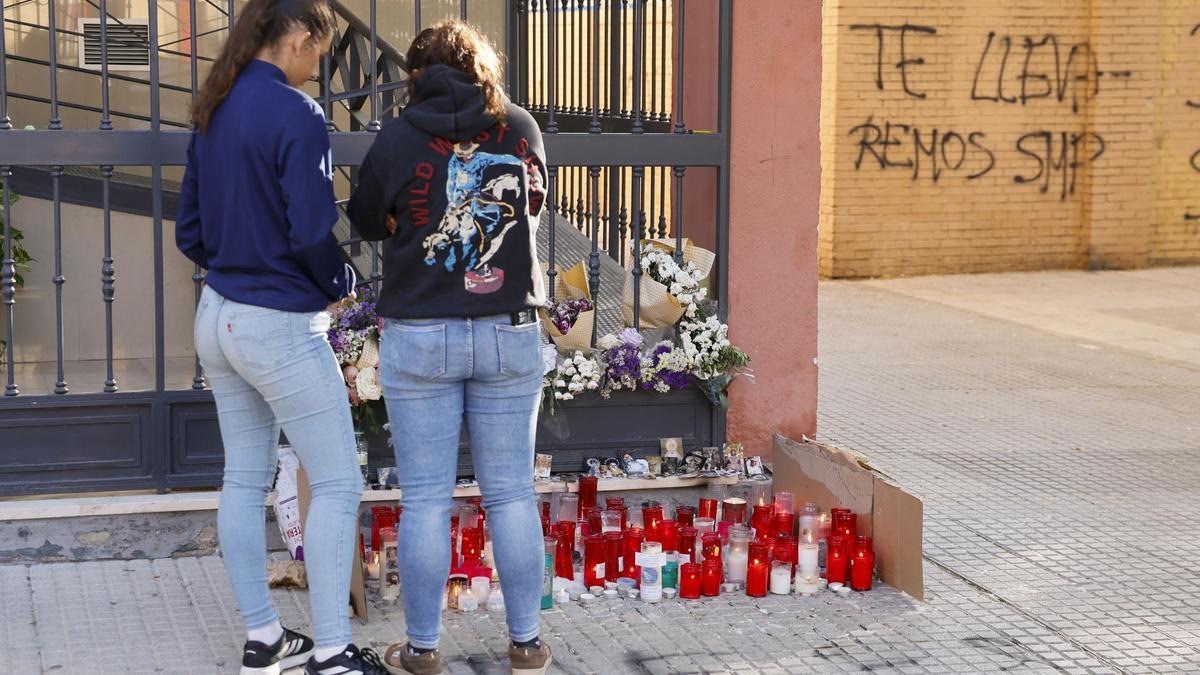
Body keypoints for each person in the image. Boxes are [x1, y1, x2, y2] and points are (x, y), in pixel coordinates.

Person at [176, 1, 386, 673]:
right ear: (298, 40)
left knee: (243, 476)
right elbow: (308, 233)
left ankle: (263, 640)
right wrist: (346, 281)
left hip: (219, 311)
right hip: (275, 323)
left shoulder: (214, 105)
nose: (317, 68)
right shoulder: (297, 116)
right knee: (338, 482)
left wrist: (242, 255)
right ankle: (330, 650)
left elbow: (190, 233)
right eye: (317, 54)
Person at [347, 20, 551, 675]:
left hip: (421, 332)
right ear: (481, 65)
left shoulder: (399, 136)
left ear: (415, 75)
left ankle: (424, 650)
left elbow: (364, 216)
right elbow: (536, 205)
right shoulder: (519, 127)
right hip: (507, 327)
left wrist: (404, 217)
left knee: (426, 500)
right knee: (512, 495)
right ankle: (527, 644)